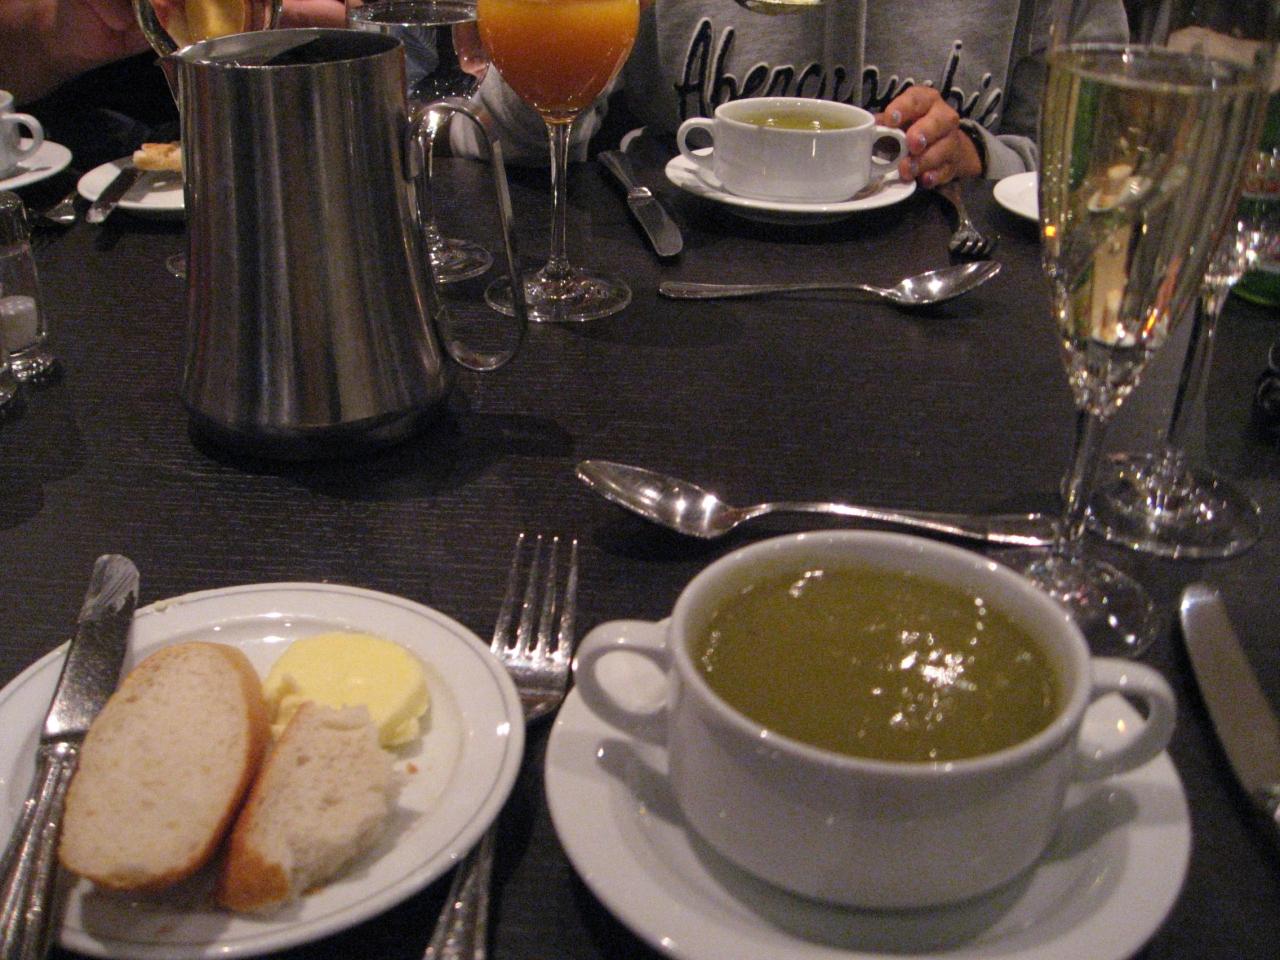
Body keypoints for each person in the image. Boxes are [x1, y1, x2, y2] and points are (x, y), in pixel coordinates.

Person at [458, 0, 1130, 186]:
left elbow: (1106, 168)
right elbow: (511, 137)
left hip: (950, 328)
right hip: (676, 306)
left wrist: (985, 157)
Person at [0, 0, 345, 169]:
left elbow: (372, 20)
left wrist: (295, 16)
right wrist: (49, 33)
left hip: (334, 154)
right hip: (93, 182)